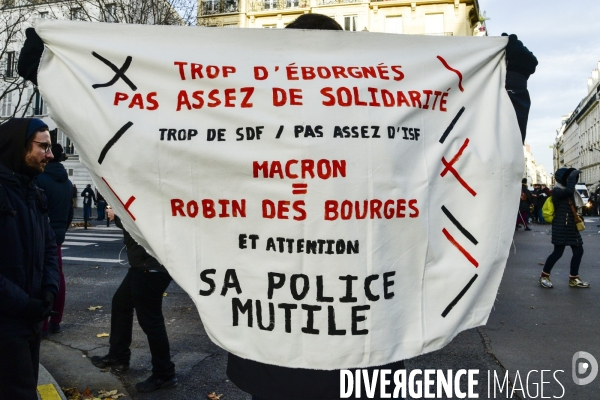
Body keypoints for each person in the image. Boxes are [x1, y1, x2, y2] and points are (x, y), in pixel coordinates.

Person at [226, 13, 538, 400]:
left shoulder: (245, 124)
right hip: (362, 348)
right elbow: (474, 159)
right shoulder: (384, 126)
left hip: (272, 349)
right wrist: (513, 84)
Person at [0, 118, 60, 400]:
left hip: (30, 320)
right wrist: (24, 304)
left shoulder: (35, 192)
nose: (50, 154)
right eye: (43, 147)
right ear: (19, 146)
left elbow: (49, 246)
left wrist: (49, 289)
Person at [90, 208, 177, 393]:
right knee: (121, 304)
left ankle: (164, 374)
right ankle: (118, 356)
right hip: (143, 265)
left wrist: (118, 216)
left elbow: (140, 223)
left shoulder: (145, 191)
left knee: (151, 321)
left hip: (150, 267)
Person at [36, 143, 74, 337]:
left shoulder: (40, 179)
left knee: (40, 277)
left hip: (41, 233)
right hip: (57, 234)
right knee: (58, 276)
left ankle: (42, 323)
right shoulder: (67, 183)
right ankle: (55, 320)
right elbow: (70, 212)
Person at [539, 168, 589, 289]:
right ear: (563, 179)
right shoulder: (557, 191)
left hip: (571, 226)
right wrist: (572, 177)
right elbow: (568, 191)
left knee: (578, 251)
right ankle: (544, 276)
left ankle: (574, 278)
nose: (570, 180)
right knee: (557, 253)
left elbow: (570, 192)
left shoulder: (568, 191)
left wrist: (572, 177)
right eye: (567, 178)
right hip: (561, 226)